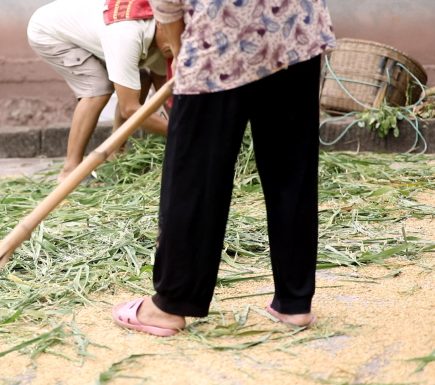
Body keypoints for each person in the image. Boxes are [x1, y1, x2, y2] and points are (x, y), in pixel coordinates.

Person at [113, 0, 337, 335]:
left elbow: (167, 5)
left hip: (219, 38)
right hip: (295, 30)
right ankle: (294, 302)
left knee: (194, 176)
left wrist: (181, 47)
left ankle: (170, 303)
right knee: (292, 170)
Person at [27, 0, 174, 182]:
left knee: (141, 81)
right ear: (161, 22)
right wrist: (178, 132)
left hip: (93, 31)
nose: (179, 44)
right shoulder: (125, 35)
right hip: (50, 32)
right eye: (177, 35)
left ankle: (116, 152)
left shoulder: (168, 36)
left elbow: (166, 90)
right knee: (98, 88)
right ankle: (70, 171)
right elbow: (129, 108)